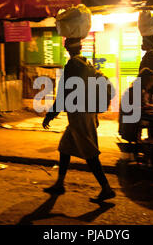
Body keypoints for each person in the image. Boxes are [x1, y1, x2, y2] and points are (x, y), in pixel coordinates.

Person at [42, 38, 116, 203]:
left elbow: (63, 93)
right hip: (86, 114)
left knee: (90, 153)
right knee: (65, 148)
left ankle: (106, 188)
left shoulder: (72, 65)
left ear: (67, 48)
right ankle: (60, 183)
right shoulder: (87, 63)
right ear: (81, 48)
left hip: (79, 116)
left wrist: (50, 114)